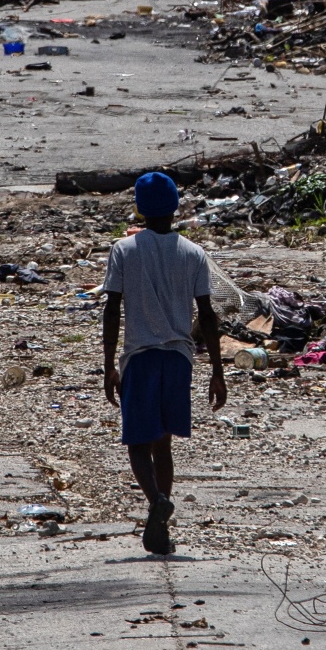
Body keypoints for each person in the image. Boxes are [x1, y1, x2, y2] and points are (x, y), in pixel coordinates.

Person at [101, 171, 225, 555]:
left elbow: (112, 309)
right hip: (179, 359)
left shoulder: (125, 250)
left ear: (139, 208)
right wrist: (217, 371)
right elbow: (207, 316)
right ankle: (162, 528)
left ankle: (156, 502)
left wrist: (108, 364)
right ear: (175, 207)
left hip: (140, 355)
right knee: (163, 447)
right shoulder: (193, 253)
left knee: (138, 444)